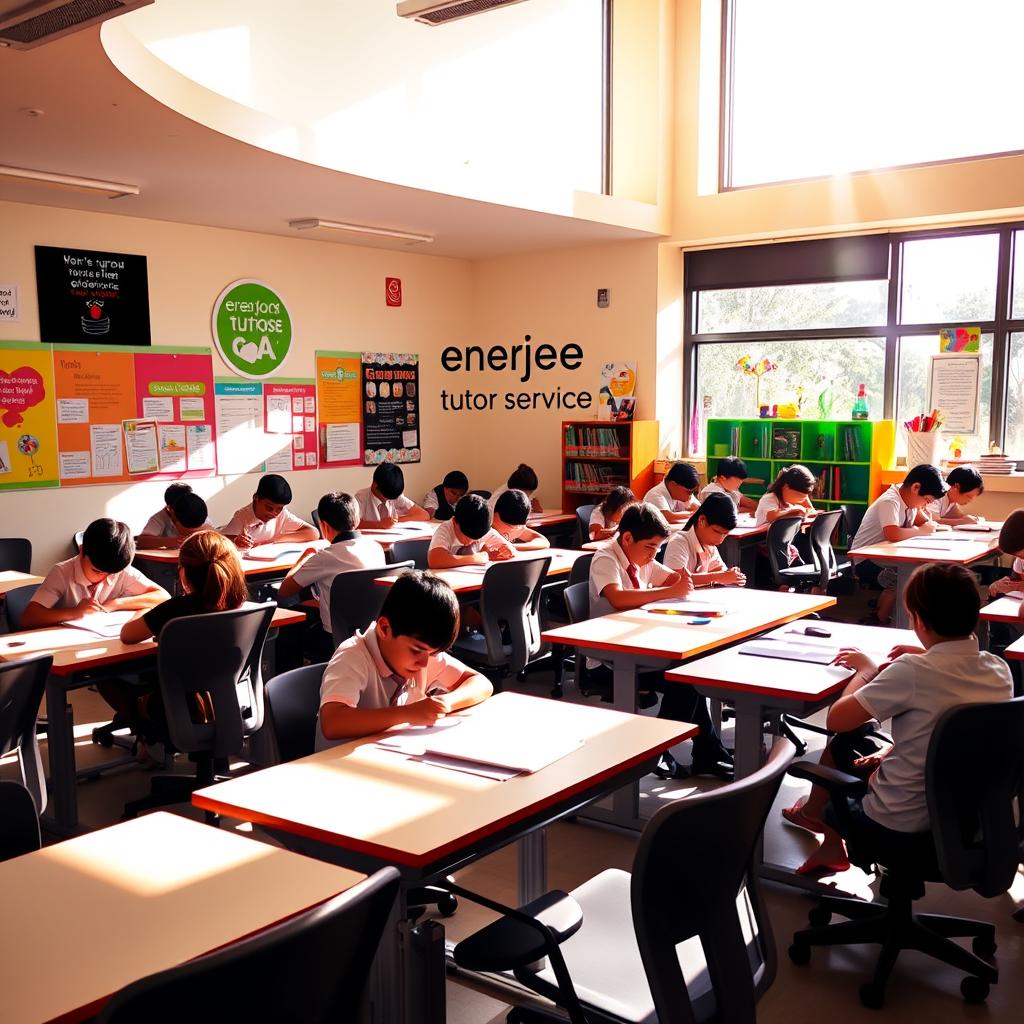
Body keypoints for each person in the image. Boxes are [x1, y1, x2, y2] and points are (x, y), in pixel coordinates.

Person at [781, 563, 1012, 876]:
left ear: (918, 620)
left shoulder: (911, 672)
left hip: (898, 826)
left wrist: (866, 671)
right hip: (967, 821)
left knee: (844, 740)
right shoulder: (998, 669)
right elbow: (949, 719)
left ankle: (820, 823)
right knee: (856, 743)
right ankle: (828, 843)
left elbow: (836, 720)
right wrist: (923, 653)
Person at [588, 502, 733, 779]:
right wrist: (670, 589)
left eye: (658, 548)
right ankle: (657, 750)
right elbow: (618, 597)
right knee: (685, 681)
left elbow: (672, 578)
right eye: (650, 547)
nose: (654, 554)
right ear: (627, 538)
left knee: (692, 673)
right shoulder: (606, 557)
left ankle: (703, 751)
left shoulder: (643, 559)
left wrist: (683, 579)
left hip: (641, 646)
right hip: (609, 659)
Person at [316, 570, 493, 747]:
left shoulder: (424, 653)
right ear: (384, 629)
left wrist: (443, 703)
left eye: (433, 653)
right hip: (337, 761)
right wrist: (408, 713)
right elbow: (333, 723)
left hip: (385, 754)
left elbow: (481, 683)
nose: (424, 663)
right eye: (417, 651)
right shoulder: (353, 656)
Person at [119, 531, 250, 765]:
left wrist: (142, 612)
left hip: (185, 704)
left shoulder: (174, 609)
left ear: (183, 572)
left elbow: (128, 635)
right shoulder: (240, 606)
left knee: (112, 680)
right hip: (232, 697)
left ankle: (151, 739)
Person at [278, 492, 387, 653]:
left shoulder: (326, 557)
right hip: (371, 633)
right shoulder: (375, 547)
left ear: (324, 526)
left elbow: (284, 590)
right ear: (357, 520)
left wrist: (303, 558)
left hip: (333, 638)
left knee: (289, 613)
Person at [22, 518, 168, 629]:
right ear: (81, 551)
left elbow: (162, 597)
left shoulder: (120, 570)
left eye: (111, 574)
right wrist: (75, 612)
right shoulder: (62, 572)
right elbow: (28, 618)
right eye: (97, 571)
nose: (105, 577)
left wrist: (116, 604)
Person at [849, 463, 947, 626]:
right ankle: (882, 620)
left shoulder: (910, 501)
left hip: (887, 556)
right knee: (907, 577)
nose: (926, 504)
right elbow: (893, 533)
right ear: (916, 488)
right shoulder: (890, 501)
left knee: (919, 571)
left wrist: (927, 521)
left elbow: (924, 522)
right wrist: (921, 531)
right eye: (926, 500)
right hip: (865, 560)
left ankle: (883, 615)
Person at [664, 492, 746, 587]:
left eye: (725, 534)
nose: (720, 539)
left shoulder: (709, 544)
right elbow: (676, 579)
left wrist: (731, 574)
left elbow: (718, 570)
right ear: (702, 520)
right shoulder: (679, 542)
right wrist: (719, 577)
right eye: (717, 531)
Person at [222, 474, 318, 550]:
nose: (274, 513)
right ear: (256, 498)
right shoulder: (242, 516)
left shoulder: (282, 514)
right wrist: (235, 540)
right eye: (269, 508)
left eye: (279, 509)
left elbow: (313, 533)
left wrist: (277, 539)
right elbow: (220, 540)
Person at [428, 493, 514, 569]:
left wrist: (504, 551)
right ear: (455, 522)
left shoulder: (481, 528)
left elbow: (510, 549)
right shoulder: (446, 529)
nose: (470, 542)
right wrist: (479, 558)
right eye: (467, 537)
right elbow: (435, 560)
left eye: (476, 539)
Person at [137, 483, 212, 549]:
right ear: (170, 509)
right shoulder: (160, 518)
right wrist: (171, 541)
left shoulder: (195, 509)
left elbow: (213, 533)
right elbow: (141, 541)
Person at [356, 463, 430, 527]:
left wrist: (397, 520)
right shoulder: (360, 498)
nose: (389, 500)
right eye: (386, 497)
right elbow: (353, 524)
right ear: (374, 486)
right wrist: (379, 524)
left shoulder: (395, 495)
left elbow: (424, 515)